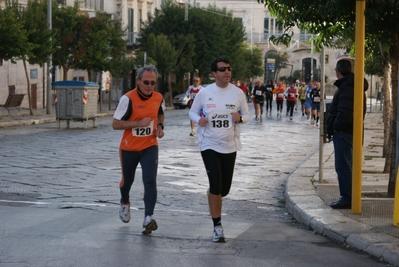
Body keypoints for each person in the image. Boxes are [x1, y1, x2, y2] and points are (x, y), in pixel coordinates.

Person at [189, 57, 250, 242]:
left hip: (230, 145)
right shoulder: (205, 93)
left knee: (224, 189)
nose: (227, 72)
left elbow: (247, 115)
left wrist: (240, 118)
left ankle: (214, 194)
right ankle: (217, 227)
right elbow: (192, 111)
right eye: (222, 69)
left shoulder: (238, 93)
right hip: (208, 143)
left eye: (229, 69)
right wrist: (198, 119)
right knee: (216, 184)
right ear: (214, 73)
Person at [112, 64, 165, 234]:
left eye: (153, 83)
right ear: (138, 81)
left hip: (150, 145)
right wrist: (137, 123)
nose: (149, 86)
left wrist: (160, 126)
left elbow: (160, 113)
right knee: (127, 181)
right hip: (129, 147)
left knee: (150, 180)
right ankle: (125, 201)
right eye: (146, 82)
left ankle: (147, 218)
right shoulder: (127, 99)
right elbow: (115, 124)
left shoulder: (158, 97)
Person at [326, 59, 368, 209]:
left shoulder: (348, 87)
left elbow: (345, 114)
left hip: (345, 133)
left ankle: (347, 197)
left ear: (338, 72)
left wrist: (335, 127)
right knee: (347, 165)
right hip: (350, 132)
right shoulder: (352, 85)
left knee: (343, 166)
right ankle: (350, 195)